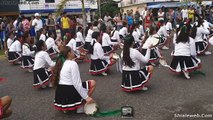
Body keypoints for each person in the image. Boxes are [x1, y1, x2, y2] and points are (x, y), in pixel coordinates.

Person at [53, 46, 96, 113]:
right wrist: (86, 97)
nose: (74, 52)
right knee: (92, 82)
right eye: (72, 51)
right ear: (69, 53)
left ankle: (66, 107)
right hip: (69, 90)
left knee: (74, 86)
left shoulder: (61, 63)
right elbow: (77, 84)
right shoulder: (73, 64)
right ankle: (81, 106)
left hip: (60, 92)